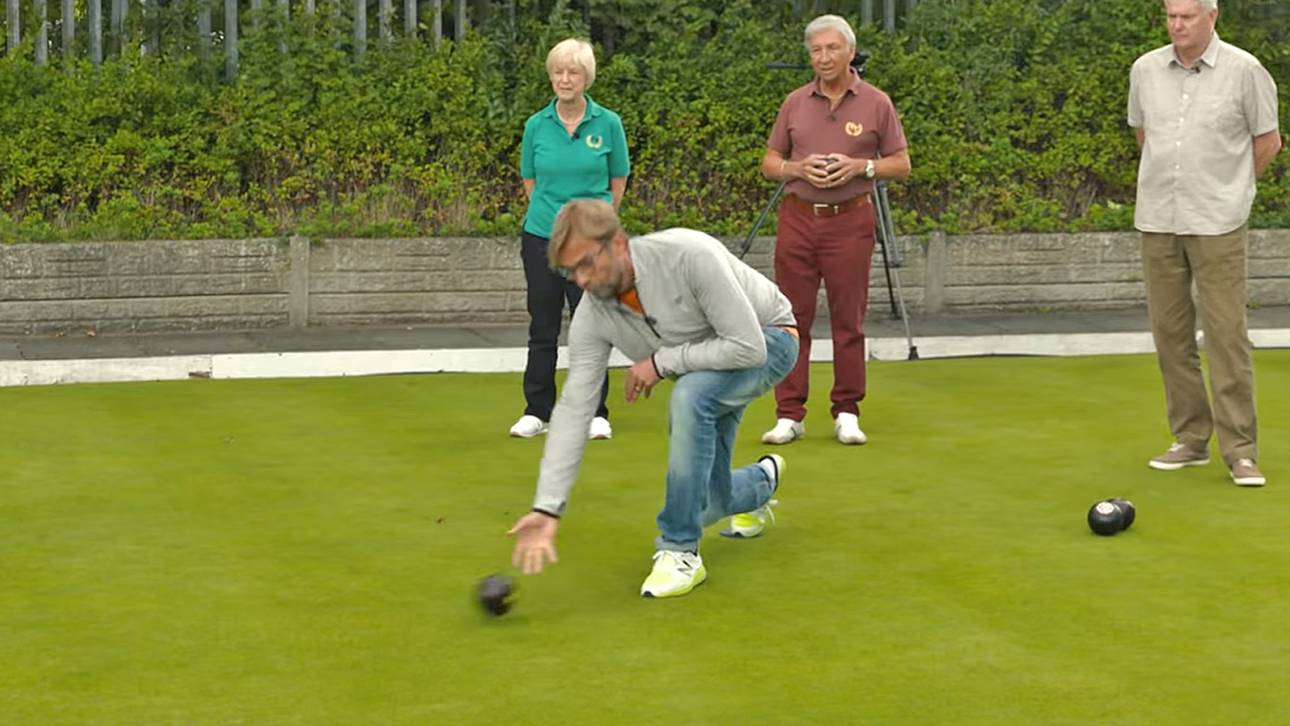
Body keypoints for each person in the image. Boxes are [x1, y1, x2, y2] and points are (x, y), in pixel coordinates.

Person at [505, 199, 800, 599]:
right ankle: (762, 481)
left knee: (690, 395)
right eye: (569, 271)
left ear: (619, 244)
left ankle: (679, 550)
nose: (580, 280)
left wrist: (661, 363)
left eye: (587, 264)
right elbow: (575, 409)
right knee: (709, 502)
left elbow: (748, 348)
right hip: (705, 364)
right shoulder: (593, 315)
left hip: (772, 337)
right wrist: (547, 507)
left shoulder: (687, 254)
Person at [1128, 0, 1281, 486]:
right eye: (1170, 16)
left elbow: (1268, 141)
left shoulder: (1246, 71)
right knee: (1170, 336)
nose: (1176, 26)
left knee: (1225, 335)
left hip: (1219, 222)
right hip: (1157, 218)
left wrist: (1233, 189)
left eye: (1186, 17)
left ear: (1211, 17)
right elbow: (1143, 134)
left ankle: (1241, 451)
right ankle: (1190, 439)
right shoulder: (1145, 70)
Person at [758, 14, 911, 447]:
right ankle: (789, 414)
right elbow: (770, 162)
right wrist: (795, 167)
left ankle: (846, 410)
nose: (823, 58)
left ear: (849, 50)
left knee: (849, 321)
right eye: (815, 50)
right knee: (790, 320)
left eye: (831, 49)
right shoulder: (794, 102)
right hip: (799, 218)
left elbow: (901, 163)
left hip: (851, 219)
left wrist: (860, 166)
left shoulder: (876, 102)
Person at [511, 38, 630, 441]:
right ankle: (537, 410)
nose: (565, 79)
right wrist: (558, 225)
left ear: (586, 78)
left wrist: (596, 225)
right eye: (559, 72)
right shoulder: (535, 125)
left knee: (593, 326)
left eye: (573, 72)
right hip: (541, 236)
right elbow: (530, 179)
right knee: (543, 326)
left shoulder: (608, 123)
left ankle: (596, 412)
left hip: (592, 244)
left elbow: (618, 179)